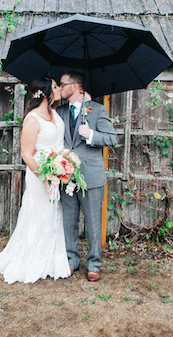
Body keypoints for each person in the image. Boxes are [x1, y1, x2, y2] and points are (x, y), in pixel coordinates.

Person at [0, 77, 71, 284]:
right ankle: (30, 258)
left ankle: (49, 258)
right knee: (38, 214)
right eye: (55, 87)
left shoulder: (54, 113)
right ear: (45, 93)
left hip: (56, 171)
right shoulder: (32, 119)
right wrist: (45, 177)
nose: (59, 89)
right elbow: (27, 154)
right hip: (39, 174)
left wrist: (62, 166)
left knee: (52, 213)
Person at [57, 70, 118, 282]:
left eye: (63, 84)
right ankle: (71, 261)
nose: (61, 88)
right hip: (65, 176)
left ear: (74, 86)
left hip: (91, 177)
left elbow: (112, 138)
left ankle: (93, 264)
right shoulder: (59, 111)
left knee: (93, 223)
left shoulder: (97, 110)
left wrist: (90, 135)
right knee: (69, 222)